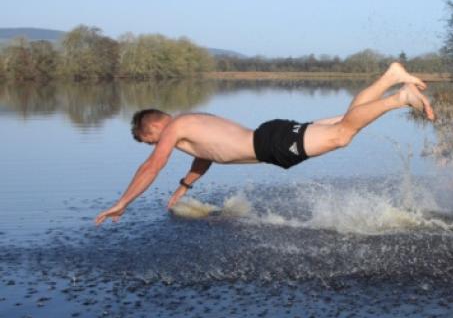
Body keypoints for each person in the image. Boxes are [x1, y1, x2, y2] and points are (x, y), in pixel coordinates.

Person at [95, 63, 435, 225]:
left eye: (149, 140)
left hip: (270, 143)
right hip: (270, 138)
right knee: (347, 119)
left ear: (154, 126)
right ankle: (390, 78)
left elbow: (152, 166)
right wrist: (185, 186)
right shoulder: (189, 126)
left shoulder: (177, 126)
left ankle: (399, 98)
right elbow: (207, 156)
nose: (153, 146)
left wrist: (122, 202)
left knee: (343, 134)